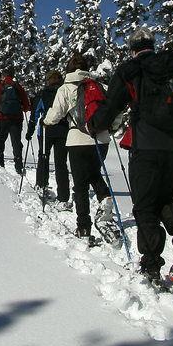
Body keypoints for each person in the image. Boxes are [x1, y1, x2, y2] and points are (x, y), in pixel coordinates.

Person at [88, 26, 173, 288]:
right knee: (167, 200)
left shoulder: (131, 70)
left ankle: (150, 264)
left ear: (133, 48)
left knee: (145, 207)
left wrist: (95, 125)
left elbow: (112, 105)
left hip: (145, 147)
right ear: (153, 43)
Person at [43, 53, 115, 244]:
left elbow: (56, 114)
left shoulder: (66, 88)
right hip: (101, 140)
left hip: (77, 140)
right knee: (93, 173)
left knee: (80, 185)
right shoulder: (100, 86)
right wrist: (111, 128)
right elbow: (115, 111)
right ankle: (105, 196)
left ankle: (84, 227)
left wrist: (46, 121)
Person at [27, 71, 71, 209]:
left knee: (43, 157)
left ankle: (41, 185)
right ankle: (63, 197)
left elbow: (35, 113)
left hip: (46, 130)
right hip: (63, 130)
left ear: (48, 80)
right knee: (61, 163)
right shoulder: (65, 92)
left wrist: (30, 130)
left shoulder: (43, 93)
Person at [0, 67, 31, 174]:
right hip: (17, 118)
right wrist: (22, 108)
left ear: (3, 75)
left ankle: (0, 162)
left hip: (2, 118)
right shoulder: (17, 86)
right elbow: (26, 105)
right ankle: (18, 165)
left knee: (0, 140)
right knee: (16, 142)